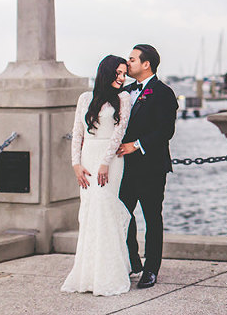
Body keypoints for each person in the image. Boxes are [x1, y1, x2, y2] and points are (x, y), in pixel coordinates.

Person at [61, 55, 132, 296]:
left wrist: (105, 163)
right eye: (118, 73)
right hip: (87, 158)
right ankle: (88, 274)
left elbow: (118, 134)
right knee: (89, 212)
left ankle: (109, 274)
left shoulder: (124, 98)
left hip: (110, 162)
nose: (122, 78)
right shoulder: (84, 99)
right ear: (106, 72)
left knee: (104, 207)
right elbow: (77, 133)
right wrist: (76, 165)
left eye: (124, 74)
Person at [116, 44, 178, 289]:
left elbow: (166, 131)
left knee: (152, 218)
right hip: (124, 169)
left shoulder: (163, 92)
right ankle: (133, 260)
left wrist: (137, 145)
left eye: (131, 59)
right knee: (122, 215)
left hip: (151, 167)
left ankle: (151, 268)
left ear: (146, 64)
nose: (127, 63)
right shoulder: (125, 91)